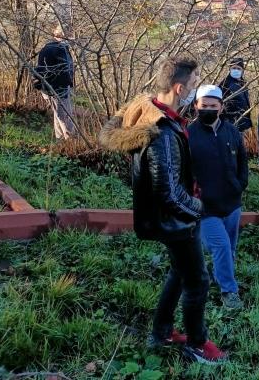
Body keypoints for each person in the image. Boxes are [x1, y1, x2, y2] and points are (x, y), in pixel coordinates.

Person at [99, 56, 226, 364]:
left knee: (179, 272)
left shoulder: (154, 111)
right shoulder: (162, 133)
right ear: (180, 87)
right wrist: (196, 209)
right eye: (194, 84)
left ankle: (162, 332)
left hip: (172, 218)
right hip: (176, 220)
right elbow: (168, 192)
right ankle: (197, 344)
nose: (195, 90)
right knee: (198, 280)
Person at [188, 85, 249, 310]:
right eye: (204, 106)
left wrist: (241, 184)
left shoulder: (231, 131)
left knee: (230, 248)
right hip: (204, 207)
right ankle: (229, 292)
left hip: (232, 203)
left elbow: (242, 160)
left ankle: (222, 277)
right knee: (221, 246)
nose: (208, 110)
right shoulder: (188, 135)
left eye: (213, 106)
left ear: (221, 107)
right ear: (196, 106)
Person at [34, 25, 75, 140]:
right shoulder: (52, 49)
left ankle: (61, 144)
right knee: (64, 117)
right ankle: (72, 145)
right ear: (57, 35)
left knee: (59, 116)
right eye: (67, 36)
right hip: (56, 89)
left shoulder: (61, 48)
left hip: (58, 88)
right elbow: (42, 71)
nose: (70, 38)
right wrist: (51, 90)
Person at [218, 58, 252, 133]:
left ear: (242, 70)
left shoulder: (243, 83)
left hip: (242, 122)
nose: (236, 70)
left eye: (238, 68)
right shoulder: (225, 83)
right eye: (233, 68)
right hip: (230, 122)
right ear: (229, 69)